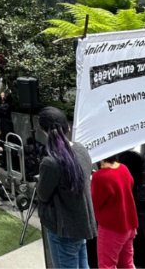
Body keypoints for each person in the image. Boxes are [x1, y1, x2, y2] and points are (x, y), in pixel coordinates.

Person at [35, 107, 97, 269]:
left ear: (44, 131)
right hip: (81, 224)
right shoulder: (81, 149)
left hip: (64, 229)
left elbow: (43, 195)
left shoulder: (51, 162)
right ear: (66, 127)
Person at [92, 153, 139, 269]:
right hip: (129, 225)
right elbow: (130, 185)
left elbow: (95, 202)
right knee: (127, 264)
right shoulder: (123, 168)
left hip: (111, 228)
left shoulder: (100, 177)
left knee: (106, 265)